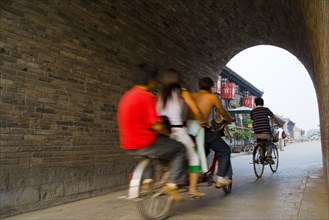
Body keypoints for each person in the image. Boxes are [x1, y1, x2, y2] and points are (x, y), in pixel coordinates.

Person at [117, 63, 187, 202]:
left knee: (151, 154)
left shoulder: (126, 96)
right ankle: (172, 184)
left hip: (129, 144)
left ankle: (147, 181)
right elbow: (156, 125)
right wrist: (167, 133)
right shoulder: (147, 96)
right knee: (180, 149)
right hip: (145, 142)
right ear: (151, 79)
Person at [156, 69, 205, 198]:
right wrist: (202, 120)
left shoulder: (160, 94)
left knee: (170, 156)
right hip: (178, 131)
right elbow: (195, 109)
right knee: (194, 157)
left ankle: (168, 178)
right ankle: (193, 189)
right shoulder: (182, 92)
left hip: (163, 132)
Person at [187, 77, 235, 188]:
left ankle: (200, 170)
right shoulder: (212, 97)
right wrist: (230, 119)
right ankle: (221, 177)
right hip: (201, 129)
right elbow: (223, 111)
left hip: (188, 129)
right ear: (210, 87)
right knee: (225, 150)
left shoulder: (192, 96)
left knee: (204, 148)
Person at [250, 97, 283, 164]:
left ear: (255, 104)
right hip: (265, 132)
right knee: (269, 143)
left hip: (256, 132)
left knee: (260, 143)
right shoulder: (266, 110)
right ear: (263, 103)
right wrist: (279, 124)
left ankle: (261, 157)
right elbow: (273, 117)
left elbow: (253, 119)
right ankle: (268, 156)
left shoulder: (252, 111)